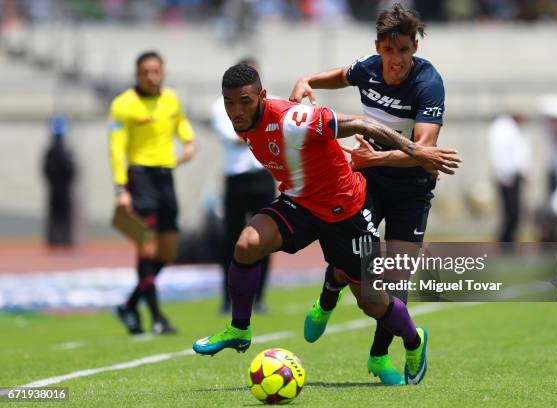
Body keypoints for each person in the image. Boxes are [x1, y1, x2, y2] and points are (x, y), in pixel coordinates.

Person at [192, 64, 460, 386]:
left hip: (345, 211)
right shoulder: (243, 122)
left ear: (262, 96)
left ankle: (414, 340)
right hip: (300, 204)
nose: (236, 110)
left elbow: (364, 123)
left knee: (372, 301)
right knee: (247, 244)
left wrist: (415, 149)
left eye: (245, 101)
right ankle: (239, 329)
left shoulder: (293, 121)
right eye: (229, 102)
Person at [289, 4, 445, 384]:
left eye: (405, 50)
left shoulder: (428, 83)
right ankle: (329, 295)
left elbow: (423, 152)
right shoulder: (369, 68)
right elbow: (342, 75)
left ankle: (379, 358)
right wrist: (306, 80)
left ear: (415, 48)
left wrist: (375, 157)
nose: (397, 60)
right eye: (389, 51)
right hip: (368, 178)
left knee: (394, 280)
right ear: (379, 48)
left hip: (411, 187)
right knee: (352, 261)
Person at [109, 51, 197, 335]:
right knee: (147, 248)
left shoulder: (171, 99)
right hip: (140, 178)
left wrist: (189, 141)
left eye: (155, 71)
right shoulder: (123, 105)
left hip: (165, 178)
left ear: (163, 72)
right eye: (145, 71)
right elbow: (116, 148)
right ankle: (157, 317)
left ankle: (129, 306)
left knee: (168, 253)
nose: (150, 76)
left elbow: (180, 122)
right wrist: (121, 188)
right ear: (137, 74)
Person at [212, 57, 276, 315]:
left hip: (263, 175)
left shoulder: (272, 104)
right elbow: (238, 133)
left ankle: (259, 297)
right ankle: (228, 298)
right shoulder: (221, 105)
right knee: (231, 240)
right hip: (236, 177)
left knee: (266, 239)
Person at [488, 113, 529, 242]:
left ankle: (508, 242)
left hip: (510, 176)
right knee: (511, 213)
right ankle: (506, 242)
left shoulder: (508, 130)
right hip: (507, 177)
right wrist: (505, 175)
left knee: (513, 213)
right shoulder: (504, 130)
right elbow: (503, 155)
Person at [43, 115, 76, 247]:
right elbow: (47, 170)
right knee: (58, 214)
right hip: (57, 187)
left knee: (60, 214)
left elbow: (71, 170)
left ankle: (61, 238)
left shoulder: (59, 152)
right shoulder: (54, 152)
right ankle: (58, 239)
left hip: (61, 187)